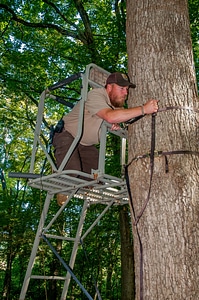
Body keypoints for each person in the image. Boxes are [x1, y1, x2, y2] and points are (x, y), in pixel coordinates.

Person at [53, 72, 158, 205]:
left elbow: (113, 117)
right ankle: (61, 180)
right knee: (72, 172)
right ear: (109, 87)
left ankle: (76, 184)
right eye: (121, 88)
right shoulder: (96, 94)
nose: (125, 93)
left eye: (126, 89)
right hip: (67, 136)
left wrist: (114, 122)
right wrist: (144, 109)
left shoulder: (113, 105)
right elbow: (110, 116)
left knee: (95, 179)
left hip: (85, 144)